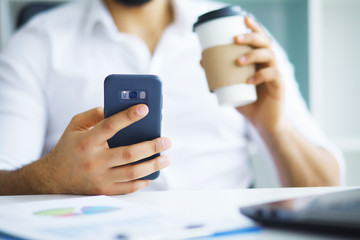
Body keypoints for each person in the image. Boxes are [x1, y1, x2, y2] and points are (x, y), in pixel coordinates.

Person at [0, 0, 344, 195]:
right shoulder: (37, 44)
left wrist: (276, 128)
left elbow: (326, 188)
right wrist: (52, 177)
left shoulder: (238, 35)